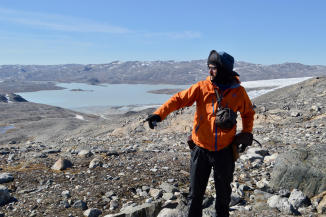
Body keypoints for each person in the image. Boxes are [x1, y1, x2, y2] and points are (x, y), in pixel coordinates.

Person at [145, 50, 255, 217]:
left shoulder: (238, 92)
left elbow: (248, 114)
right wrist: (159, 113)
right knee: (195, 195)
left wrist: (246, 133)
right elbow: (178, 99)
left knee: (224, 196)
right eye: (208, 67)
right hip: (201, 149)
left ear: (224, 69)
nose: (209, 72)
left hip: (225, 151)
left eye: (213, 68)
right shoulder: (202, 88)